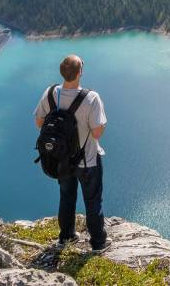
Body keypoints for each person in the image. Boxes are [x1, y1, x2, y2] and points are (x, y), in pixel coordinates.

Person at [34, 54, 108, 250]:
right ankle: (98, 243)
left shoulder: (50, 93)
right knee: (92, 200)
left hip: (62, 160)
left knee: (66, 196)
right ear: (80, 72)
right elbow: (97, 132)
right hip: (87, 161)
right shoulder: (91, 98)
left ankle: (66, 237)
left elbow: (39, 122)